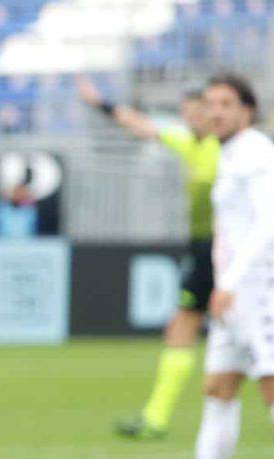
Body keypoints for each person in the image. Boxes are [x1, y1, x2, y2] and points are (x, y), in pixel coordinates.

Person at [144, 74, 274, 459]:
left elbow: (272, 224)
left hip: (260, 291)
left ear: (247, 110)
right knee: (218, 388)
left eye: (226, 104)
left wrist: (233, 280)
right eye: (210, 104)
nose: (216, 112)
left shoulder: (260, 156)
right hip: (234, 296)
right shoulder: (229, 154)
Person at [77, 77, 222, 440]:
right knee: (189, 327)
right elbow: (141, 124)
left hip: (225, 249)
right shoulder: (188, 141)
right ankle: (156, 417)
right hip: (204, 246)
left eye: (195, 113)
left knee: (194, 327)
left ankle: (157, 417)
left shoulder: (230, 152)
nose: (189, 120)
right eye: (186, 114)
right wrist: (101, 104)